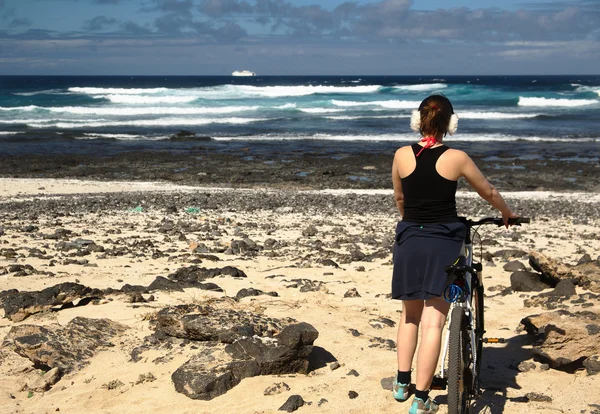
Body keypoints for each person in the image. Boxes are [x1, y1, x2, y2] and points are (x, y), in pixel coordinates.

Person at [390, 94, 518, 414]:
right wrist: (506, 212)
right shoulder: (457, 158)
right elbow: (487, 191)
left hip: (409, 238)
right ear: (451, 124)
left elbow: (400, 199)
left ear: (418, 120)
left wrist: (411, 222)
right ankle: (421, 400)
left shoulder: (401, 155)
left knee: (410, 316)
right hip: (444, 241)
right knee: (434, 322)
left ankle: (401, 384)